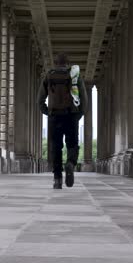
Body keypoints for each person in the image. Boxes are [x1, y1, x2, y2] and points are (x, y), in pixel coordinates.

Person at [37, 53, 88, 189]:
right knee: (72, 144)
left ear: (56, 63)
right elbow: (83, 97)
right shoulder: (74, 75)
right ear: (68, 63)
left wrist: (47, 112)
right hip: (71, 115)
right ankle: (70, 163)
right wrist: (79, 114)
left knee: (56, 148)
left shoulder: (49, 75)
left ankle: (57, 179)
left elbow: (40, 100)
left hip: (55, 116)